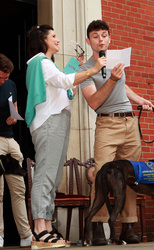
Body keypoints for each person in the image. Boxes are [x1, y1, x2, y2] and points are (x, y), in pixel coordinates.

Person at [25, 24, 106, 249]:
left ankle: (47, 227)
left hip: (57, 121)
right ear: (42, 40)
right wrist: (93, 69)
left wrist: (76, 68)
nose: (58, 40)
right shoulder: (39, 62)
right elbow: (63, 81)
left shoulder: (48, 65)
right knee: (45, 174)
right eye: (54, 36)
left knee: (52, 175)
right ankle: (40, 229)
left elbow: (64, 85)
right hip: (49, 122)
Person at [79, 20, 154, 246]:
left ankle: (128, 227)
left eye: (104, 35)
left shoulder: (116, 60)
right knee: (102, 175)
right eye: (95, 36)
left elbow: (123, 86)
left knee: (131, 176)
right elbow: (94, 101)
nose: (101, 39)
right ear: (88, 41)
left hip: (130, 123)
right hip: (107, 125)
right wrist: (111, 78)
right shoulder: (83, 69)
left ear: (110, 38)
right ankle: (99, 228)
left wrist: (140, 99)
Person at [0, 53, 33, 248]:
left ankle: (26, 235)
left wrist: (14, 116)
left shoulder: (10, 84)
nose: (4, 81)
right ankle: (0, 236)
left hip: (10, 140)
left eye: (6, 77)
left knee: (19, 191)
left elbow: (14, 106)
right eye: (1, 77)